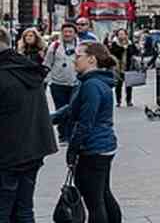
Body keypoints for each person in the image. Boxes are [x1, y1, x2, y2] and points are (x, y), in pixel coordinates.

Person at [0, 27, 58, 223]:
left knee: (3, 210)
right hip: (34, 147)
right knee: (24, 208)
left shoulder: (6, 72)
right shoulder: (26, 67)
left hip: (8, 152)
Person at [61, 42, 122, 223]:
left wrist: (72, 149)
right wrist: (48, 118)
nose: (74, 60)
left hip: (93, 148)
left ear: (91, 59)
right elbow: (72, 109)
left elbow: (85, 122)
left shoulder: (91, 85)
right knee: (103, 194)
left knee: (94, 201)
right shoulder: (96, 82)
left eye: (78, 56)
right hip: (104, 145)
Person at [44, 23, 81, 143]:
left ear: (75, 33)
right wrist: (46, 80)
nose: (67, 34)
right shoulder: (54, 46)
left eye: (70, 32)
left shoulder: (81, 46)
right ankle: (63, 135)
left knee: (73, 109)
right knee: (60, 109)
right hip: (57, 83)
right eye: (65, 32)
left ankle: (71, 134)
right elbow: (47, 63)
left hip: (75, 82)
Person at [107, 29, 140, 108]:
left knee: (129, 85)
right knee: (118, 85)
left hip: (128, 66)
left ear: (126, 35)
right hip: (118, 67)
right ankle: (118, 101)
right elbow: (113, 52)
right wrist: (122, 48)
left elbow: (135, 52)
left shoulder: (130, 43)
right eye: (120, 34)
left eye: (123, 34)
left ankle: (129, 101)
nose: (121, 36)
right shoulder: (115, 44)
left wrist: (128, 48)